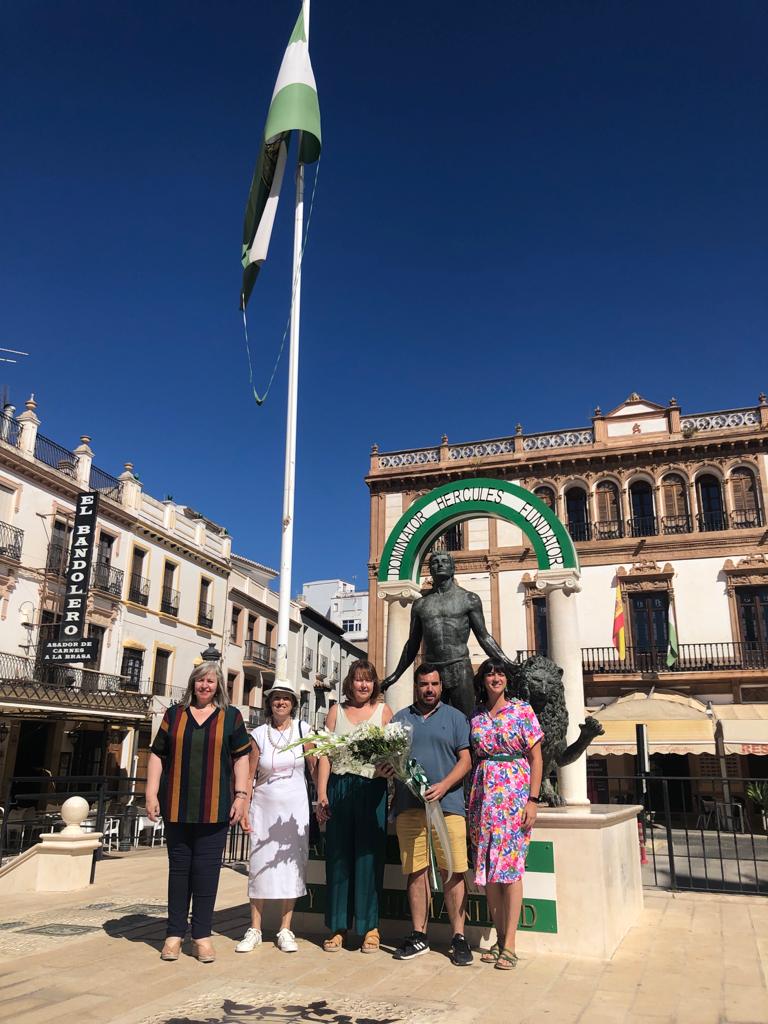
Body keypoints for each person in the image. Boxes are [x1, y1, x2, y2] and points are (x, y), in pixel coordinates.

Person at [146, 661, 252, 963]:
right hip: (177, 806)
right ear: (192, 683)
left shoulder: (231, 717)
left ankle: (202, 935)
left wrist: (241, 795)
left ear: (219, 686)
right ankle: (174, 934)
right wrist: (151, 793)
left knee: (206, 874)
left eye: (211, 681)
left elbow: (240, 759)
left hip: (215, 808)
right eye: (200, 681)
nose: (205, 686)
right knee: (179, 873)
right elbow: (157, 755)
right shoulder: (174, 715)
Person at [384, 663, 473, 966]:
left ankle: (458, 937)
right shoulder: (399, 719)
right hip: (409, 807)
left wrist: (444, 785)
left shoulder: (456, 718)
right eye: (424, 684)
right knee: (415, 870)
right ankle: (418, 934)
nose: (429, 689)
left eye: (434, 684)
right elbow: (390, 760)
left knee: (454, 869)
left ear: (441, 686)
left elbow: (466, 760)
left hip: (448, 806)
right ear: (416, 686)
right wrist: (387, 768)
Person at [469, 658, 543, 971]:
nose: (495, 677)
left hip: (514, 796)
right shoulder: (475, 716)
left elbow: (536, 757)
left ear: (507, 679)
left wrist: (533, 799)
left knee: (510, 870)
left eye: (500, 673)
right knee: (489, 871)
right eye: (490, 673)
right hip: (484, 798)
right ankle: (499, 938)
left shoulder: (522, 710)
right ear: (483, 680)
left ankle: (510, 943)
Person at [382, 551, 516, 718]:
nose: (439, 564)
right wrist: (395, 675)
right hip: (432, 669)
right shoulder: (420, 604)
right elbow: (413, 643)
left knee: (467, 719)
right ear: (430, 570)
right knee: (432, 719)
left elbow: (484, 637)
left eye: (444, 561)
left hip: (459, 667)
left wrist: (507, 663)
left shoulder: (469, 599)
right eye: (435, 562)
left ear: (453, 568)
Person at [315, 659, 391, 953]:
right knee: (338, 859)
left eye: (368, 680)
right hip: (339, 787)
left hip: (372, 789)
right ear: (350, 682)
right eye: (359, 679)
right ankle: (338, 927)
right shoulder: (336, 712)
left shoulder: (384, 713)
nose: (363, 685)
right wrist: (322, 793)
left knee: (369, 859)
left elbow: (393, 756)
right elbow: (325, 754)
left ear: (374, 684)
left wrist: (389, 772)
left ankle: (370, 927)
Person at [236, 680, 316, 955]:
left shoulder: (304, 730)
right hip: (264, 807)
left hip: (295, 808)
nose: (280, 702)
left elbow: (316, 766)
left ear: (294, 703)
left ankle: (285, 928)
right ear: (269, 703)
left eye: (286, 698)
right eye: (276, 698)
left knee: (292, 866)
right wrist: (244, 805)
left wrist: (324, 797)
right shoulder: (259, 734)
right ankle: (255, 928)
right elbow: (250, 773)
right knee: (259, 863)